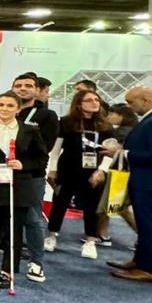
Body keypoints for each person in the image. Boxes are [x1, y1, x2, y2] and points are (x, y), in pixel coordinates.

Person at [0, 92, 49, 290]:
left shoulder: (30, 130)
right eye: (1, 105)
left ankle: (7, 271)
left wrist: (24, 164)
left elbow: (42, 159)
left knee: (13, 232)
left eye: (10, 105)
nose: (4, 108)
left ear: (18, 109)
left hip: (18, 187)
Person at [46, 88, 118, 259]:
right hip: (68, 168)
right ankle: (52, 235)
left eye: (97, 100)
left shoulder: (105, 125)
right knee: (60, 202)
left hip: (94, 171)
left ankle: (90, 240)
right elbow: (56, 149)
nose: (94, 103)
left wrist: (102, 170)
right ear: (79, 104)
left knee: (91, 206)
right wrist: (53, 169)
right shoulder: (66, 122)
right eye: (89, 100)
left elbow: (110, 151)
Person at [10, 72, 58, 283]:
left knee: (32, 217)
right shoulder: (6, 111)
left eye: (28, 85)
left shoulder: (46, 116)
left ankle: (36, 262)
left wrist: (23, 162)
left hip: (30, 175)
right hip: (2, 172)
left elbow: (44, 149)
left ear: (37, 90)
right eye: (18, 85)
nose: (22, 88)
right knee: (3, 214)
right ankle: (5, 252)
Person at [112, 86, 152, 282]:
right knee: (144, 223)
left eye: (131, 102)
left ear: (146, 100)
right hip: (145, 181)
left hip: (150, 183)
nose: (128, 107)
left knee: (150, 225)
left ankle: (151, 268)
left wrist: (125, 154)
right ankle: (141, 260)